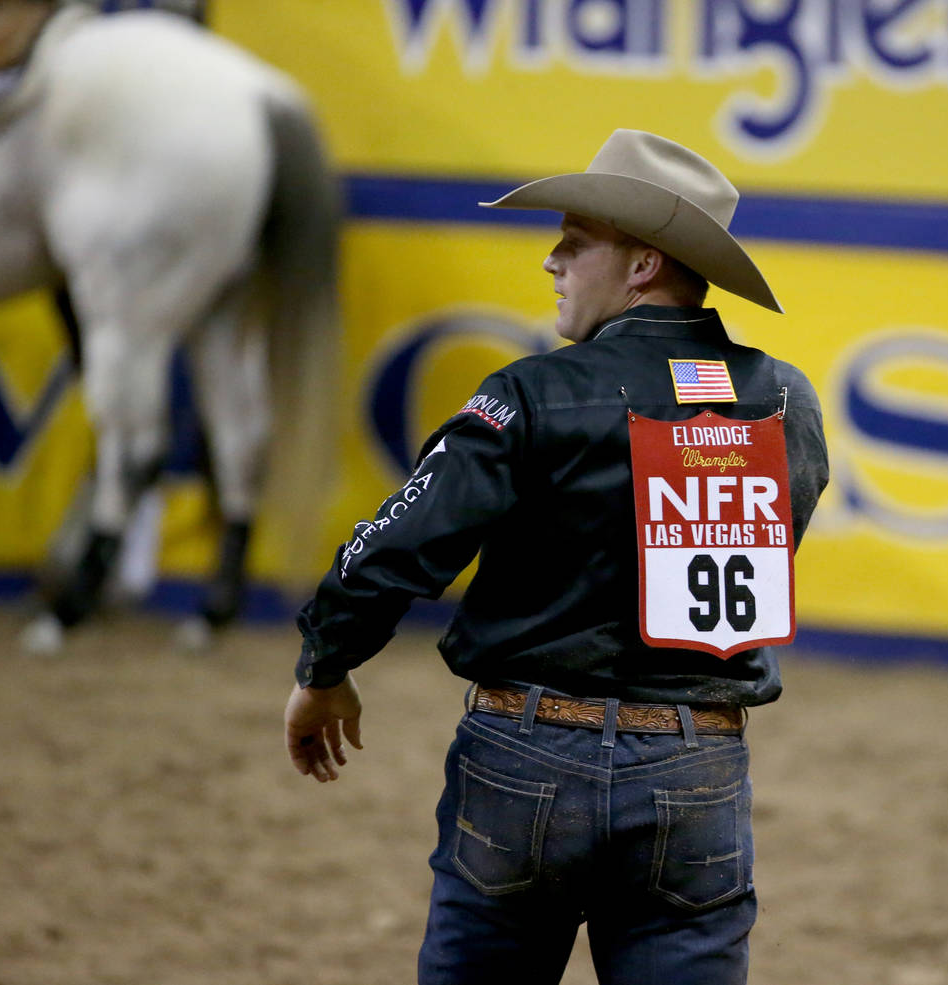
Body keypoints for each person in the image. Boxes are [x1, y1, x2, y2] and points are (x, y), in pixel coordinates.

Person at [284, 129, 829, 985]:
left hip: (525, 758)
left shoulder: (529, 395)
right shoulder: (784, 399)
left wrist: (326, 663)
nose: (552, 261)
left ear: (643, 264)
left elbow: (396, 547)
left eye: (574, 244)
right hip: (699, 768)